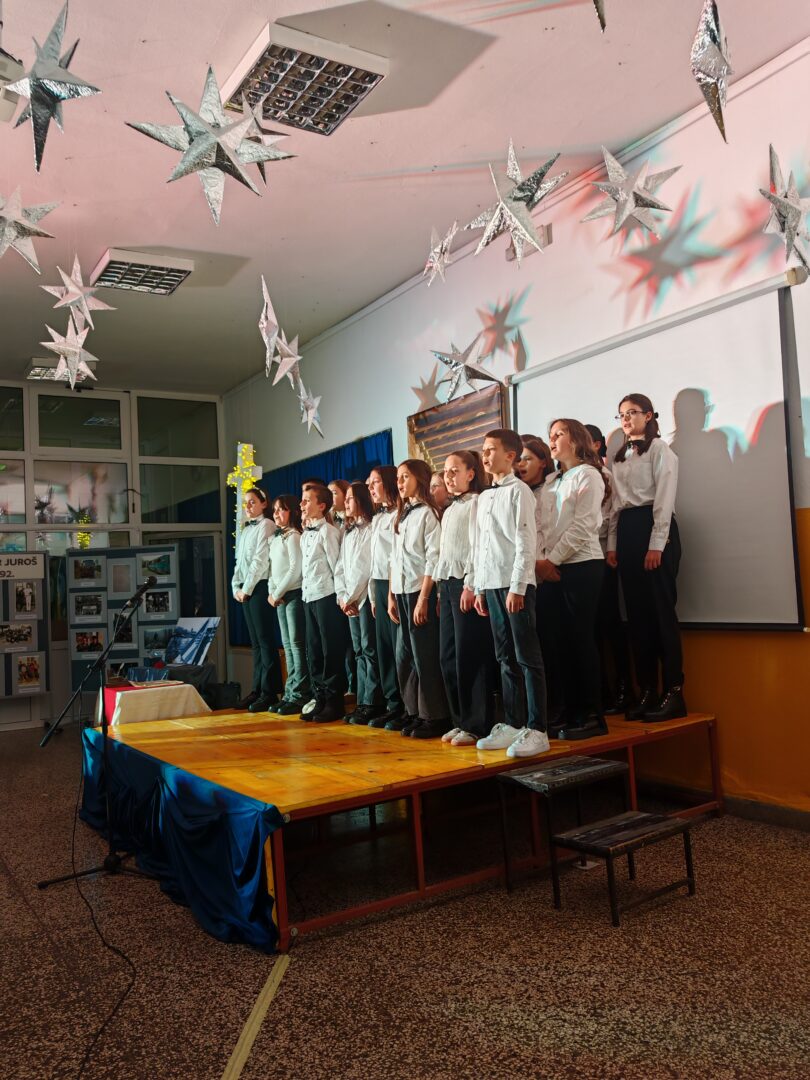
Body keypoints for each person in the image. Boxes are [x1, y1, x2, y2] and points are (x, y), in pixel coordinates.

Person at [607, 394, 686, 721]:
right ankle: (648, 691)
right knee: (637, 617)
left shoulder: (659, 449)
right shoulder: (618, 457)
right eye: (621, 415)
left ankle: (674, 692)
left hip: (653, 529)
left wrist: (657, 543)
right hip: (628, 530)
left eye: (632, 413)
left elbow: (665, 498)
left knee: (661, 613)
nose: (626, 419)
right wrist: (612, 544)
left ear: (649, 415)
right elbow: (615, 505)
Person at [473, 429, 549, 758]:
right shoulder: (485, 496)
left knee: (527, 656)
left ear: (510, 455)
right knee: (504, 657)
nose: (485, 455)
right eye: (483, 450)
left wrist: (518, 586)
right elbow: (480, 545)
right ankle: (514, 723)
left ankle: (538, 728)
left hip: (515, 585)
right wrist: (478, 587)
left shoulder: (520, 491)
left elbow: (525, 541)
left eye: (491, 450)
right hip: (491, 583)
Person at [536, 419, 609, 740]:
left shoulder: (589, 475)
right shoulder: (552, 480)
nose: (552, 440)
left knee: (580, 639)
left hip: (581, 565)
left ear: (577, 440)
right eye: (550, 435)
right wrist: (541, 561)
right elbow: (540, 526)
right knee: (558, 643)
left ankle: (592, 715)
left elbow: (584, 525)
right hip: (550, 568)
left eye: (559, 434)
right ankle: (567, 711)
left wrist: (551, 560)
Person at [435, 450, 497, 745]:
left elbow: (476, 547)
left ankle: (477, 724)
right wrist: (439, 590)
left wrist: (471, 584)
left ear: (471, 473)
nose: (448, 476)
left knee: (469, 654)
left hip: (465, 583)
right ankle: (459, 719)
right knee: (447, 656)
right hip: (447, 583)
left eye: (454, 471)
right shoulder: (450, 509)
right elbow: (445, 553)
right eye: (445, 472)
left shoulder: (476, 503)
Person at [388, 459, 451, 738]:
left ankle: (434, 715)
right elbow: (394, 559)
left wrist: (424, 598)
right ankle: (413, 711)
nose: (400, 482)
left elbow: (432, 559)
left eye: (405, 477)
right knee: (405, 655)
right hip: (401, 590)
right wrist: (391, 595)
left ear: (420, 479)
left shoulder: (428, 513)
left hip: (418, 590)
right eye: (398, 478)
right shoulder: (401, 515)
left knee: (424, 655)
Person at [586, 422, 632, 715]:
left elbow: (609, 517)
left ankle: (624, 689)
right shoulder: (568, 477)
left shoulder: (604, 475)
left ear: (597, 445)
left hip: (602, 556)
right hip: (580, 560)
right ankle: (600, 692)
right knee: (590, 630)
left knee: (610, 624)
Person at [335, 481, 385, 724]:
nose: (345, 503)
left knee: (369, 649)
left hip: (364, 597)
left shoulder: (370, 528)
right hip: (350, 599)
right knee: (358, 652)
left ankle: (373, 702)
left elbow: (363, 567)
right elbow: (340, 566)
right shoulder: (348, 530)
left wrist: (351, 596)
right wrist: (342, 595)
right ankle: (362, 702)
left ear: (362, 500)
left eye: (350, 498)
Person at [300, 483, 348, 723]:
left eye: (307, 500)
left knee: (331, 650)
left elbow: (336, 565)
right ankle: (319, 698)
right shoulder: (305, 534)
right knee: (314, 649)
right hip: (309, 596)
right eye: (302, 500)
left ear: (321, 505)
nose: (302, 504)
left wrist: (341, 595)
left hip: (327, 596)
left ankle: (334, 701)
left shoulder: (329, 531)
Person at [232, 487, 282, 712]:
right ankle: (257, 689)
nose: (248, 506)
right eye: (245, 503)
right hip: (246, 588)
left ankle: (270, 692)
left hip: (259, 587)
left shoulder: (267, 525)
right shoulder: (245, 530)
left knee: (265, 640)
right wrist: (236, 586)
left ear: (264, 503)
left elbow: (260, 561)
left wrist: (247, 589)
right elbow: (240, 562)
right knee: (256, 643)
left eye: (252, 502)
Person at [366, 466, 406, 729]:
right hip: (379, 585)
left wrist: (391, 593)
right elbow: (374, 560)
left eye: (376, 482)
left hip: (395, 585)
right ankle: (392, 704)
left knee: (398, 647)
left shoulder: (398, 515)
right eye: (369, 484)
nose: (371, 487)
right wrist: (373, 595)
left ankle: (405, 704)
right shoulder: (378, 517)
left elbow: (395, 558)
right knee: (383, 648)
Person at [267, 494, 312, 715]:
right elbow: (272, 569)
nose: (276, 513)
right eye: (275, 509)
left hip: (292, 594)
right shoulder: (277, 538)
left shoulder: (294, 536)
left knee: (296, 644)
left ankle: (300, 694)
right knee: (287, 646)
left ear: (292, 512)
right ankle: (289, 692)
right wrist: (272, 591)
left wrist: (278, 592)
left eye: (281, 509)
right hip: (280, 596)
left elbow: (295, 569)